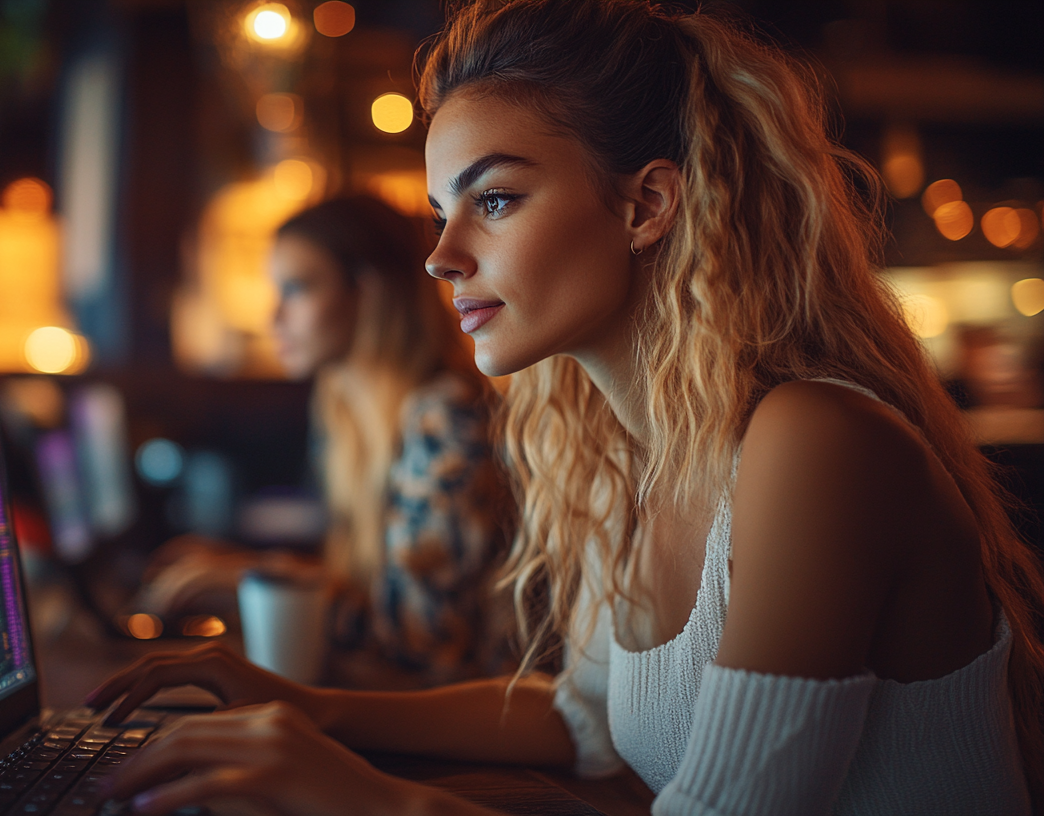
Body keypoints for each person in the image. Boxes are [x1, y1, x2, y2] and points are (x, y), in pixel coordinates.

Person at [86, 2, 1044, 813]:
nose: (441, 255)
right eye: (438, 214)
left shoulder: (816, 444)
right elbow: (584, 717)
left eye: (494, 200)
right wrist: (306, 705)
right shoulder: (626, 454)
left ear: (646, 206)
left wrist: (370, 797)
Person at [140, 195, 508, 682]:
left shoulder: (447, 415)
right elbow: (367, 591)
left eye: (297, 288)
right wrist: (255, 567)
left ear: (369, 291)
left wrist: (250, 585)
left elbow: (422, 643)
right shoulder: (346, 414)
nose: (274, 318)